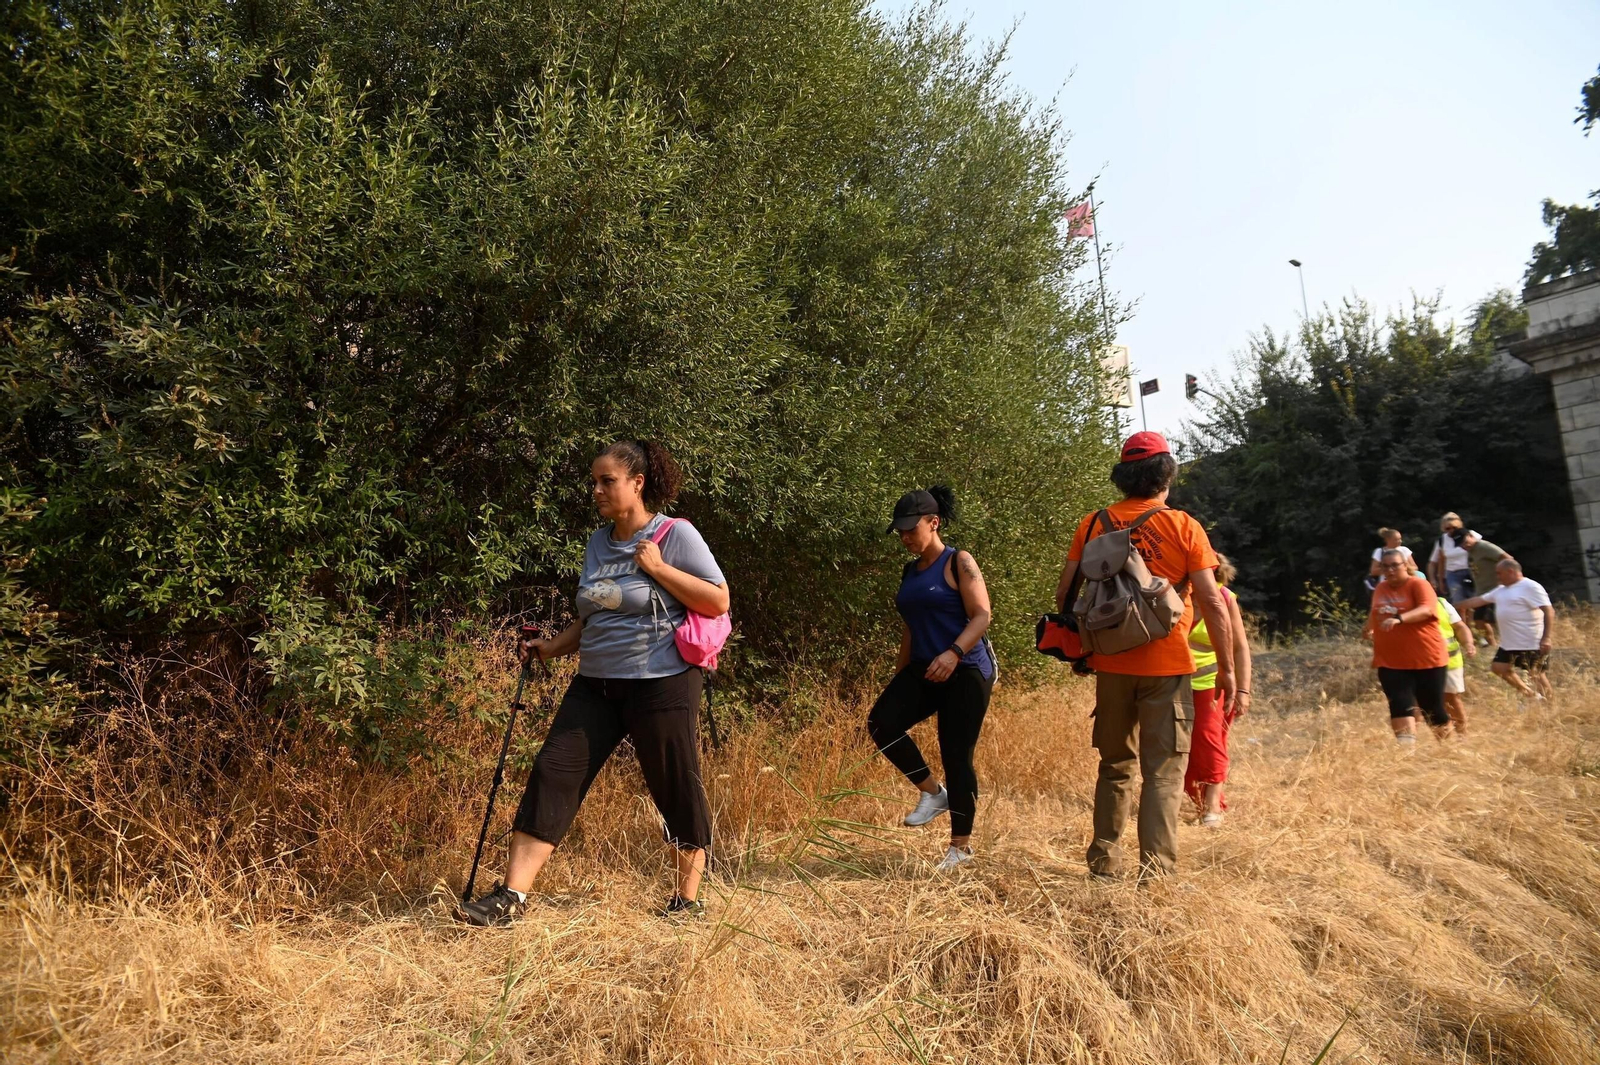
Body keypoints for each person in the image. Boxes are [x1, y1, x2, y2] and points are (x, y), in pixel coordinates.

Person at [458, 439, 730, 926]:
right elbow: (593, 618)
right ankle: (511, 898)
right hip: (595, 685)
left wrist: (659, 568)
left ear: (637, 483)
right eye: (594, 482)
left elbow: (717, 601)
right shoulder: (597, 543)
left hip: (662, 681)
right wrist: (549, 648)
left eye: (607, 481)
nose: (597, 490)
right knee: (552, 772)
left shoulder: (675, 534)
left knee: (674, 785)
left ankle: (685, 901)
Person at [1054, 431, 1235, 881]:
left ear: (1122, 477)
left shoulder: (1093, 523)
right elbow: (1213, 602)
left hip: (1111, 663)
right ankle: (1156, 874)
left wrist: (1081, 648)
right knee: (1164, 773)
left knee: (1114, 766)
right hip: (1168, 664)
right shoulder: (1184, 525)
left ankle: (1103, 867)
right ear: (1166, 474)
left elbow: (1066, 593)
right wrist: (1228, 669)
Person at [867, 487, 996, 871]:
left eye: (911, 529)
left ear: (933, 522)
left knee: (956, 754)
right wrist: (902, 672)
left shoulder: (959, 561)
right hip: (925, 668)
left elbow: (982, 615)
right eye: (900, 531)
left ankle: (961, 847)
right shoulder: (910, 571)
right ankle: (932, 793)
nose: (905, 537)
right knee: (882, 723)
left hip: (967, 669)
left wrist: (953, 653)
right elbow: (912, 623)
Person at [1184, 554, 1253, 827]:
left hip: (1212, 683)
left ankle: (1212, 805)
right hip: (1172, 682)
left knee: (1209, 739)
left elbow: (1240, 648)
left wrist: (1244, 691)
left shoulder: (1224, 598)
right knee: (1182, 745)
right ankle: (1197, 801)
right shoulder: (1177, 595)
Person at [1364, 548, 1452, 747]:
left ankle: (1448, 749)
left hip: (1427, 658)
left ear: (1406, 565)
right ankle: (1406, 755)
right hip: (1390, 659)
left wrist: (1399, 619)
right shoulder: (1381, 588)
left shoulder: (1419, 584)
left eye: (1395, 565)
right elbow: (1376, 610)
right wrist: (1368, 628)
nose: (1390, 570)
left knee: (1432, 709)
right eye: (1385, 566)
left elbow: (1426, 609)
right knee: (1399, 704)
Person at [1456, 559, 1554, 702]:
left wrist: (1547, 637)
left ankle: (1551, 706)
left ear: (1511, 571)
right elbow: (1477, 601)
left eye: (1499, 573)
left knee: (1536, 674)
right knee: (1499, 668)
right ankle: (1532, 697)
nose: (1497, 577)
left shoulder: (1530, 586)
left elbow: (1549, 611)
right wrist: (1448, 605)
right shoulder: (1501, 589)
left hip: (1530, 640)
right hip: (1509, 643)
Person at [1432, 596, 1476, 735]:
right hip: (1418, 662)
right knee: (1429, 703)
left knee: (1450, 699)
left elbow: (1460, 626)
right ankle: (1444, 745)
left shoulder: (1441, 603)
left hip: (1449, 661)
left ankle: (1462, 737)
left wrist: (1469, 644)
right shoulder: (1401, 604)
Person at [1460, 531, 1511, 646]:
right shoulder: (1471, 552)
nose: (1464, 546)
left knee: (1494, 620)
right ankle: (1492, 645)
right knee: (1479, 620)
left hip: (1495, 590)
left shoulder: (1484, 546)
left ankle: (1505, 645)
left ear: (1471, 536)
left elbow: (1508, 559)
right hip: (1482, 592)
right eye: (1461, 545)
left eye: (1466, 542)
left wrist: (1503, 579)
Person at [1427, 512, 1477, 604]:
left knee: (1472, 599)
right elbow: (1436, 562)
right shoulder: (1442, 540)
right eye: (1448, 528)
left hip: (1471, 571)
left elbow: (1483, 549)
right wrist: (1437, 580)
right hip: (1453, 573)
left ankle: (1471, 618)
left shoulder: (1470, 535)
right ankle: (1461, 618)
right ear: (1443, 528)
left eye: (1455, 528)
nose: (1451, 530)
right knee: (1458, 601)